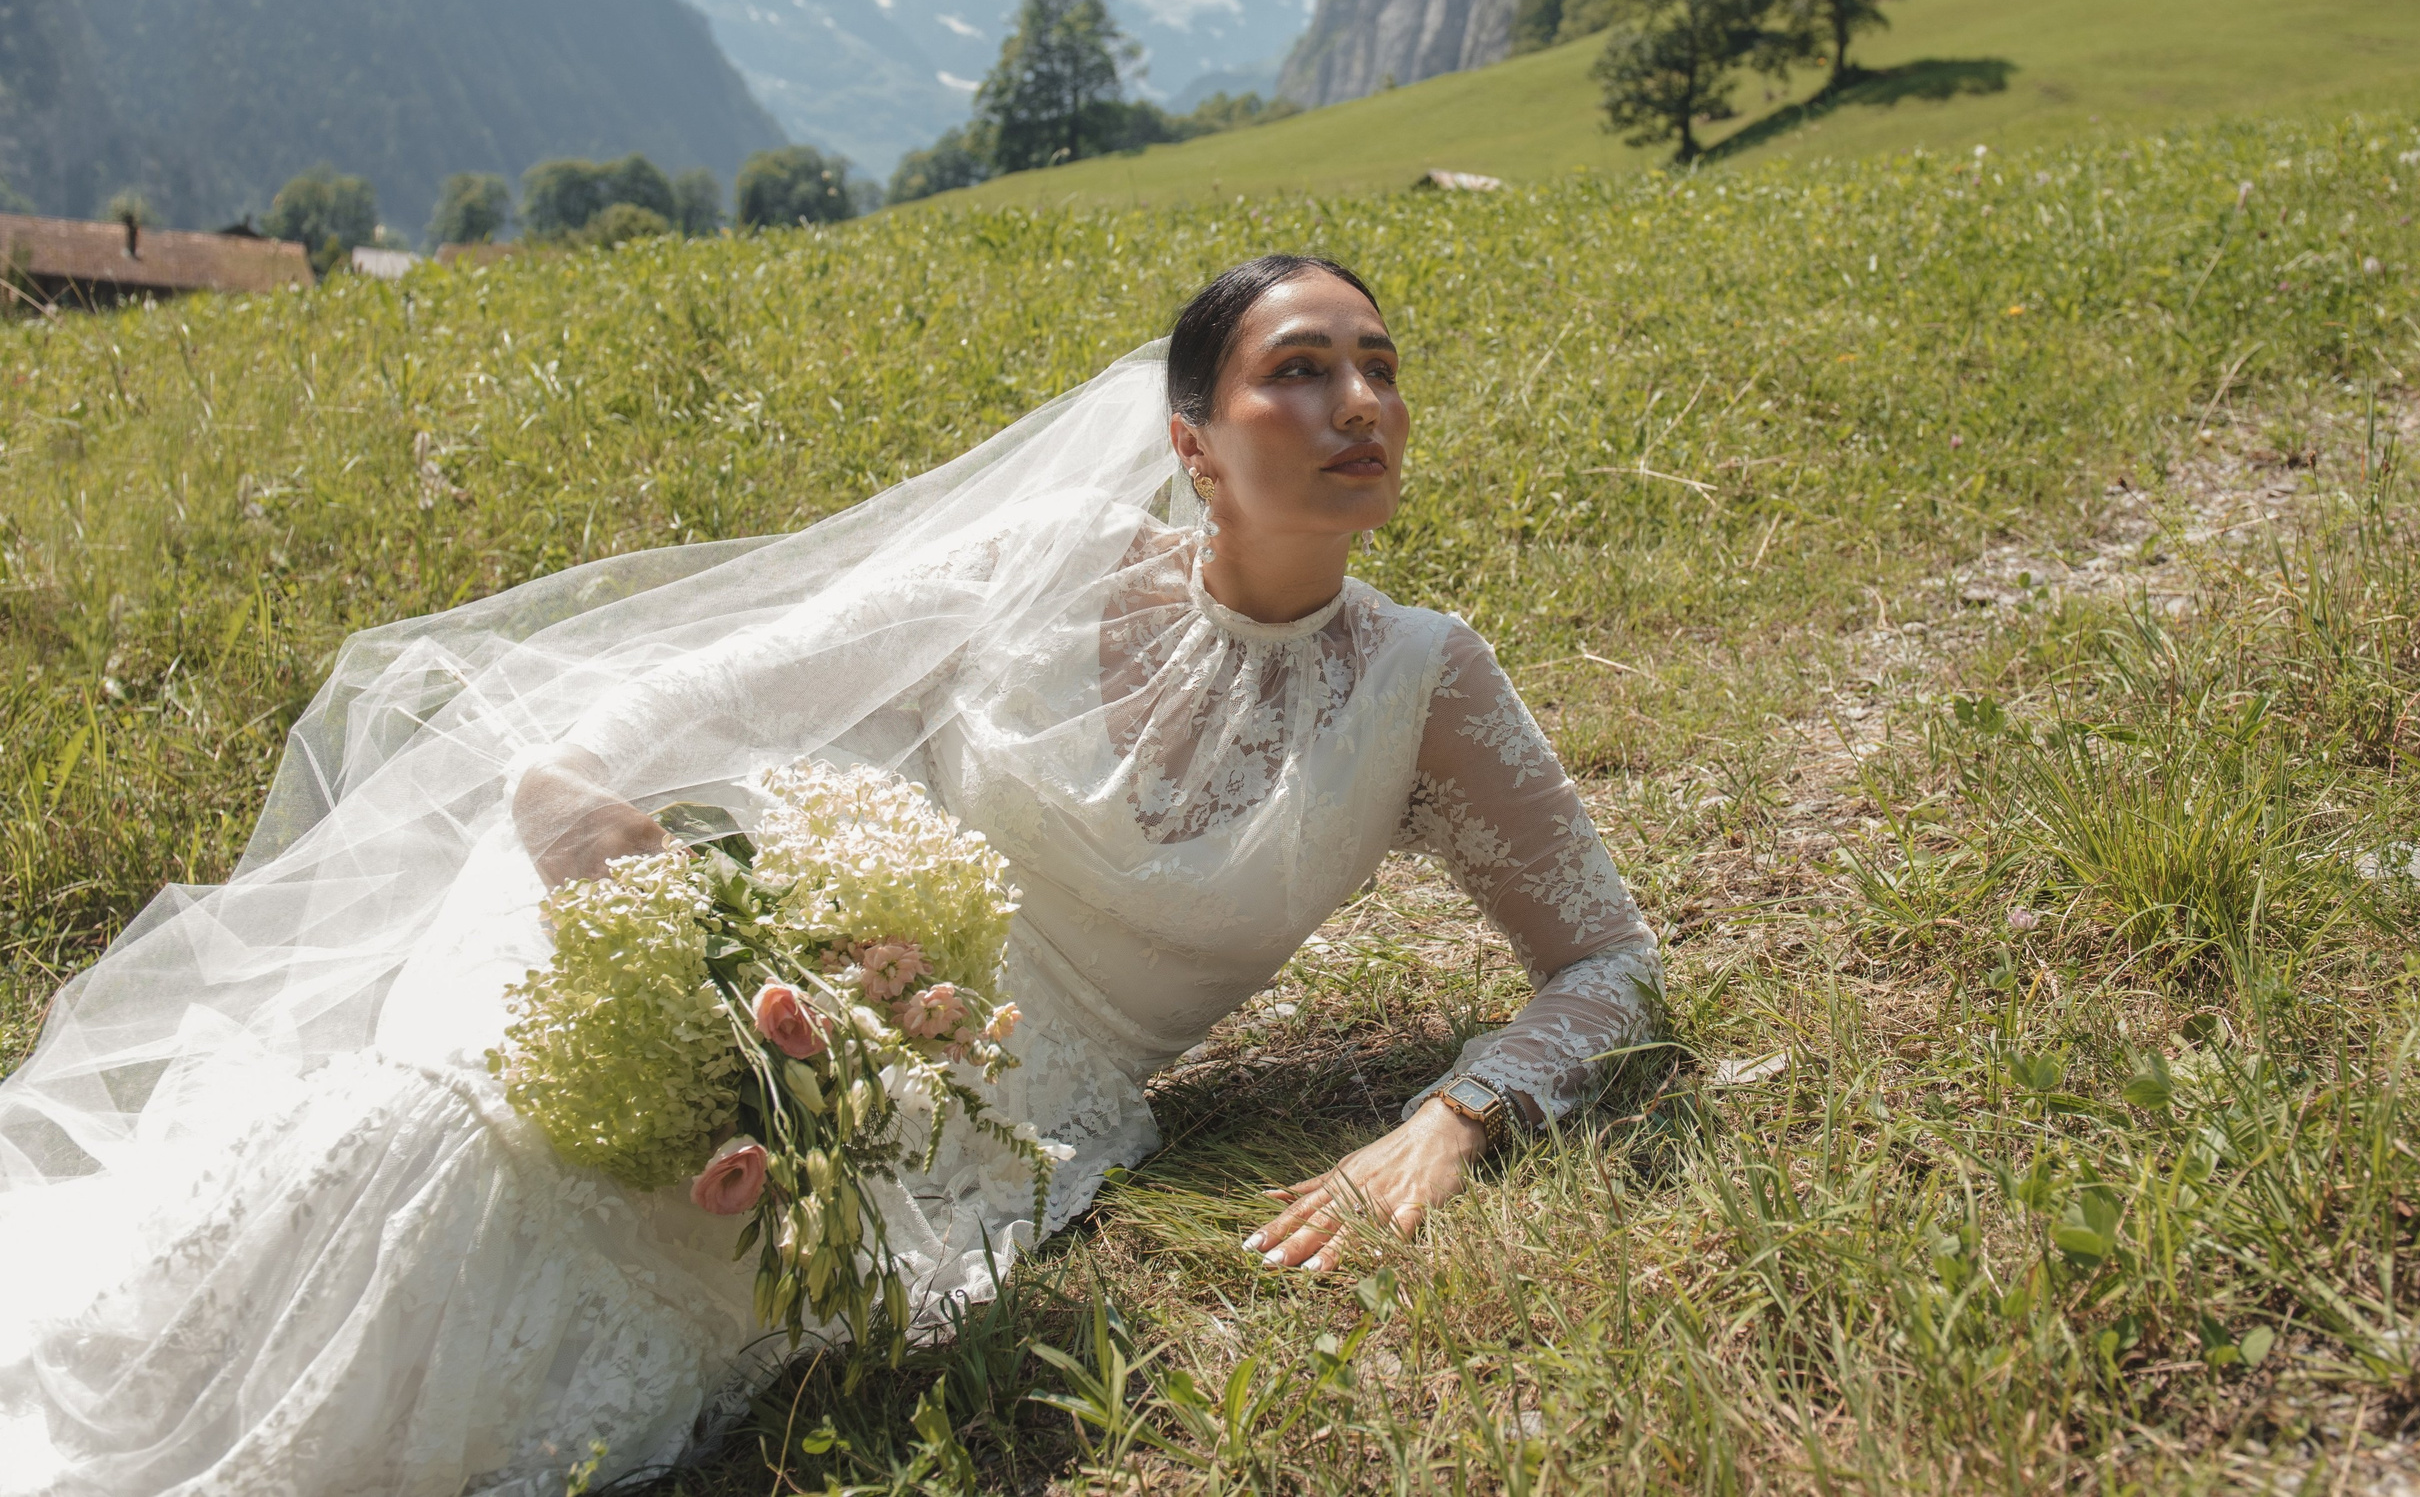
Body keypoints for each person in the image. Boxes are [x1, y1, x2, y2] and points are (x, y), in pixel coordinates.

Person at [0, 255, 1661, 1495]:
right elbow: (692, 697)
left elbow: (1610, 963)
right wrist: (604, 831)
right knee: (446, 1125)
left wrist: (1453, 1118)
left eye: (1378, 367)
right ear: (1192, 438)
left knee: (603, 1236)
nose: (1358, 404)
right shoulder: (1048, 558)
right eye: (1300, 371)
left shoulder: (1431, 684)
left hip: (980, 1089)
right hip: (750, 920)